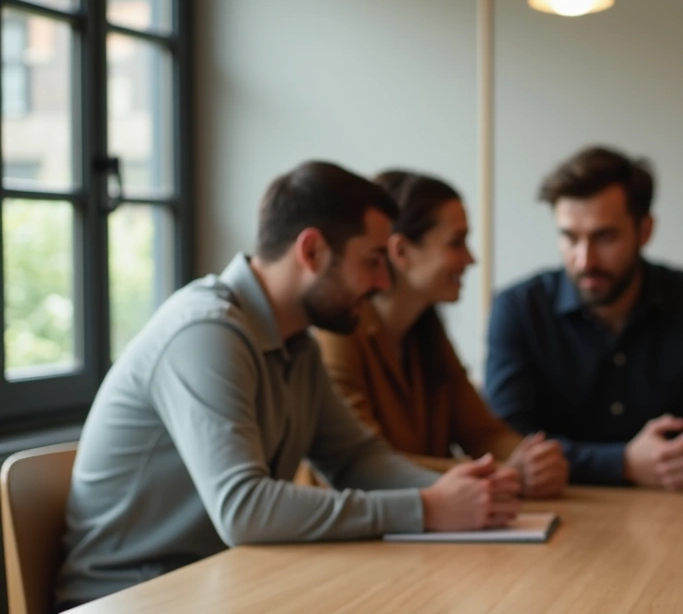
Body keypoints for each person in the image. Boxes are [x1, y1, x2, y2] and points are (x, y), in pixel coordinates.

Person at [56, 161, 521, 608]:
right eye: (373, 261)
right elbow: (245, 510)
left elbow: (356, 459)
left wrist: (465, 496)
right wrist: (425, 507)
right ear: (312, 251)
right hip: (134, 598)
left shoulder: (297, 346)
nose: (383, 282)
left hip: (223, 585)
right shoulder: (204, 333)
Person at [484, 146, 683, 490]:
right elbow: (508, 444)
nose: (584, 261)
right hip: (561, 518)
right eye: (569, 237)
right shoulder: (518, 309)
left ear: (644, 230)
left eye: (604, 237)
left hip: (672, 520)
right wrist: (622, 463)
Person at [313, 169, 569, 498]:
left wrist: (535, 460)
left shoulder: (427, 331)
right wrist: (504, 472)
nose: (471, 258)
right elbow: (365, 465)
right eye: (456, 243)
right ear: (401, 252)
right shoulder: (338, 334)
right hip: (345, 539)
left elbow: (483, 434)